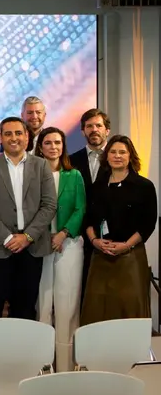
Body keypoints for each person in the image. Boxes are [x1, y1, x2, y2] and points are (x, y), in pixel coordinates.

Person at [0, 117, 57, 320]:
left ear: (27, 136)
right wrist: (7, 237)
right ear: (1, 138)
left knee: (25, 308)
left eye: (18, 133)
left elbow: (49, 205)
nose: (14, 138)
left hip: (32, 248)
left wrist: (27, 236)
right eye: (8, 134)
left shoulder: (41, 166)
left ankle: (22, 352)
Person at [82, 135, 158, 324]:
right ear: (106, 156)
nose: (117, 156)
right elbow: (88, 220)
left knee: (130, 308)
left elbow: (148, 224)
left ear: (130, 156)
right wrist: (94, 241)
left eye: (122, 152)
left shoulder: (144, 186)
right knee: (98, 311)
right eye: (113, 152)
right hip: (100, 255)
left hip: (130, 256)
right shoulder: (96, 187)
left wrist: (126, 246)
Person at [34, 127, 85, 372]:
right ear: (40, 147)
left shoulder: (74, 175)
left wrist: (63, 233)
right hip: (40, 244)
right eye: (47, 143)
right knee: (43, 306)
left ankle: (65, 368)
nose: (53, 147)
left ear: (63, 146)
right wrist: (44, 236)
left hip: (69, 244)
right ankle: (43, 366)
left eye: (57, 142)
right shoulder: (33, 174)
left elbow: (80, 209)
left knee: (66, 307)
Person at [68, 108, 111, 302]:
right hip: (77, 235)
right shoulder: (70, 161)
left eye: (98, 125)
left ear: (107, 130)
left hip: (110, 236)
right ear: (83, 131)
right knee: (80, 290)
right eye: (89, 126)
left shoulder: (118, 158)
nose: (94, 130)